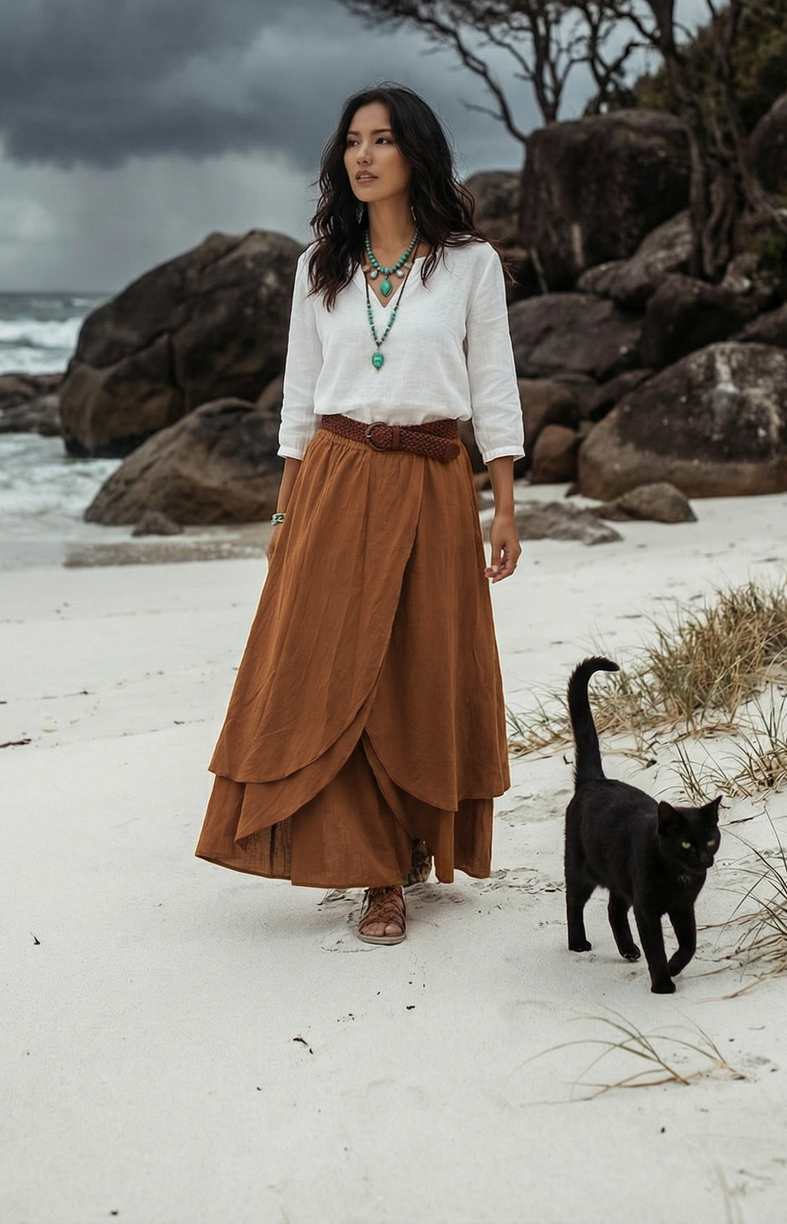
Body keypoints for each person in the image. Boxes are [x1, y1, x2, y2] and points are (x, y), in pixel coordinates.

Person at [195, 83, 524, 944]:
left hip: (432, 478)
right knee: (333, 674)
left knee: (415, 672)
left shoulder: (469, 263)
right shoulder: (319, 267)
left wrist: (504, 506)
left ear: (415, 153)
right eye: (352, 142)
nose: (363, 156)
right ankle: (378, 875)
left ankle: (410, 843)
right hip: (335, 481)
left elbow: (493, 387)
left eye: (381, 140)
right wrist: (284, 511)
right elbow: (298, 401)